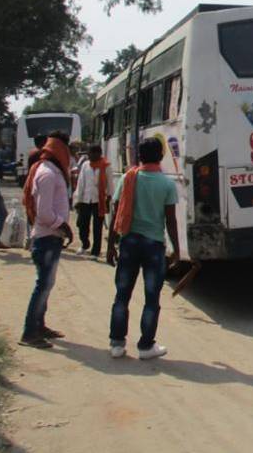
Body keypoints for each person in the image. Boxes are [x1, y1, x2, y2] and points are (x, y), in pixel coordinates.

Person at [108, 137, 180, 360]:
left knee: (122, 295)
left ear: (139, 156)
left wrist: (110, 244)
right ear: (160, 156)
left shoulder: (129, 178)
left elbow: (117, 213)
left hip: (129, 242)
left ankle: (117, 344)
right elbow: (170, 220)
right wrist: (177, 250)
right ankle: (146, 346)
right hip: (154, 245)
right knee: (151, 298)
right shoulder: (167, 184)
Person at [20, 133, 74, 348]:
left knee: (46, 284)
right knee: (43, 285)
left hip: (51, 237)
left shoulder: (52, 172)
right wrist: (63, 225)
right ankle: (30, 332)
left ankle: (39, 325)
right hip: (47, 237)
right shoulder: (48, 174)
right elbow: (44, 213)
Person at [72, 144, 112, 258]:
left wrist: (109, 199)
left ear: (99, 154)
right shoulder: (85, 165)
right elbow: (80, 183)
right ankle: (85, 244)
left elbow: (110, 184)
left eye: (93, 153)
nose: (91, 156)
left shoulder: (106, 166)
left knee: (97, 227)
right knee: (82, 224)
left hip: (99, 200)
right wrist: (77, 200)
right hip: (85, 199)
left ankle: (96, 251)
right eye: (89, 153)